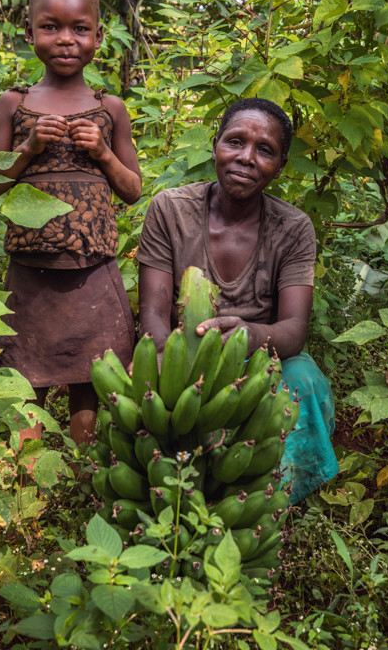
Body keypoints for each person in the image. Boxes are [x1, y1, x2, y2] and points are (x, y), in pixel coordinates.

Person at [136, 97, 338, 503]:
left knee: (304, 382)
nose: (246, 157)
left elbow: (294, 330)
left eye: (265, 150)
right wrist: (167, 360)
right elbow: (154, 314)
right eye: (235, 142)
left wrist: (248, 334)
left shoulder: (294, 229)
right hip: (182, 353)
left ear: (280, 168)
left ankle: (271, 501)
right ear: (215, 146)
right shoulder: (171, 211)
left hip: (262, 356)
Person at [0, 0, 141, 447]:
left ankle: (79, 474)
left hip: (92, 271)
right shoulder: (14, 103)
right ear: (29, 33)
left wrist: (103, 153)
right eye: (51, 27)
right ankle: (28, 476)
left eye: (79, 28)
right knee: (23, 376)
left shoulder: (108, 107)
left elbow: (133, 189)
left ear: (98, 36)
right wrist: (28, 148)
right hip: (30, 274)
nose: (66, 40)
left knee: (88, 379)